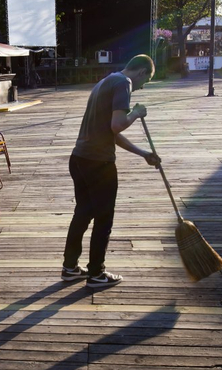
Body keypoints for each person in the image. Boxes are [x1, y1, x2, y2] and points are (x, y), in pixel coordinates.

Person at [61, 54, 161, 288]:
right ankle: (96, 274)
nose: (142, 87)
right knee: (104, 219)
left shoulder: (105, 82)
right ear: (141, 72)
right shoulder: (123, 84)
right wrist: (135, 113)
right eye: (145, 81)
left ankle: (70, 268)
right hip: (99, 164)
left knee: (83, 214)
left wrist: (143, 153)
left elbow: (110, 132)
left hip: (80, 158)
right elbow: (118, 124)